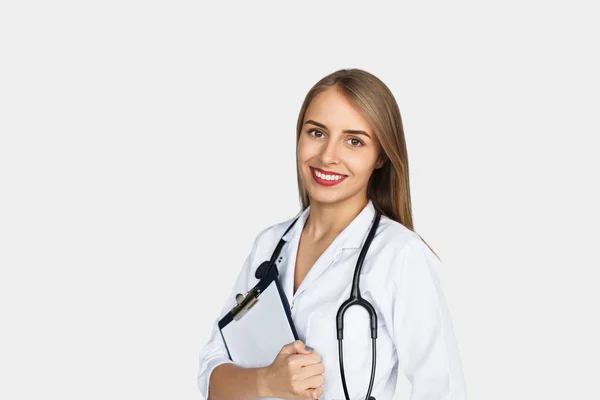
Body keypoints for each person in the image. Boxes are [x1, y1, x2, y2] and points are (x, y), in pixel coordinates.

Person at [197, 69, 467, 400]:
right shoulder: (269, 245)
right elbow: (212, 368)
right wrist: (267, 382)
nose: (327, 156)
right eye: (317, 133)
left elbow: (443, 389)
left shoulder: (398, 254)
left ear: (380, 155)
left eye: (354, 140)